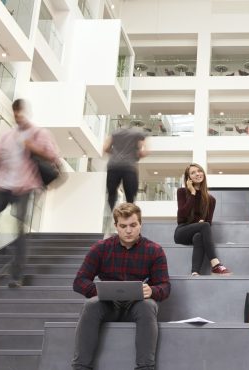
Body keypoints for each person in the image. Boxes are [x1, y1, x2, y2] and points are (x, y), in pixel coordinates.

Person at [72, 203, 170, 370]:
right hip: (107, 306)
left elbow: (165, 286)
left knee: (148, 305)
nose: (129, 230)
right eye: (123, 226)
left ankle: (146, 367)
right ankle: (81, 367)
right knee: (91, 305)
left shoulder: (154, 250)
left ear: (140, 224)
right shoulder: (101, 248)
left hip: (137, 306)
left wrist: (152, 290)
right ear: (116, 226)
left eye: (133, 225)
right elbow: (79, 281)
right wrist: (102, 291)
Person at [0, 98, 59, 288]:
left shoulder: (38, 133)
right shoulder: (6, 136)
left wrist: (31, 146)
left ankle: (16, 275)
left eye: (21, 111)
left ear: (26, 112)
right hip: (3, 185)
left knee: (19, 229)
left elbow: (53, 156)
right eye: (15, 112)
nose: (18, 115)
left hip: (25, 186)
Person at [174, 163, 231, 275]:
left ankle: (195, 272)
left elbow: (208, 222)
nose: (197, 174)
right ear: (188, 178)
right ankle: (215, 264)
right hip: (182, 231)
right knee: (204, 226)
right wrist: (193, 193)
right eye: (193, 172)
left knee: (199, 236)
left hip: (197, 232)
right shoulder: (182, 192)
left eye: (199, 171)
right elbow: (181, 216)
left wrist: (202, 223)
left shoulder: (211, 200)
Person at [103, 125, 146, 211]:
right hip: (129, 167)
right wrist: (134, 154)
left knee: (111, 194)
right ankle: (129, 216)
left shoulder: (115, 132)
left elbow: (105, 148)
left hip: (114, 166)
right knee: (130, 197)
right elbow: (143, 152)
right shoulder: (137, 133)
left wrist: (115, 153)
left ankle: (111, 214)